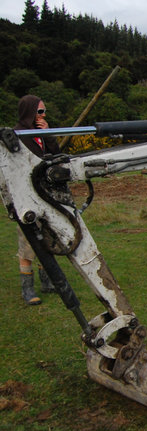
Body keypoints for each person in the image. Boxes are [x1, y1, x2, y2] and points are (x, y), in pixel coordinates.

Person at [14, 95, 59, 305]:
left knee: (47, 238)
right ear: (29, 112)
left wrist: (48, 134)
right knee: (28, 244)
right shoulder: (18, 136)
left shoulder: (40, 134)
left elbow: (54, 154)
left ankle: (47, 283)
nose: (43, 116)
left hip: (44, 194)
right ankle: (27, 290)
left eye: (44, 111)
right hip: (25, 196)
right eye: (39, 112)